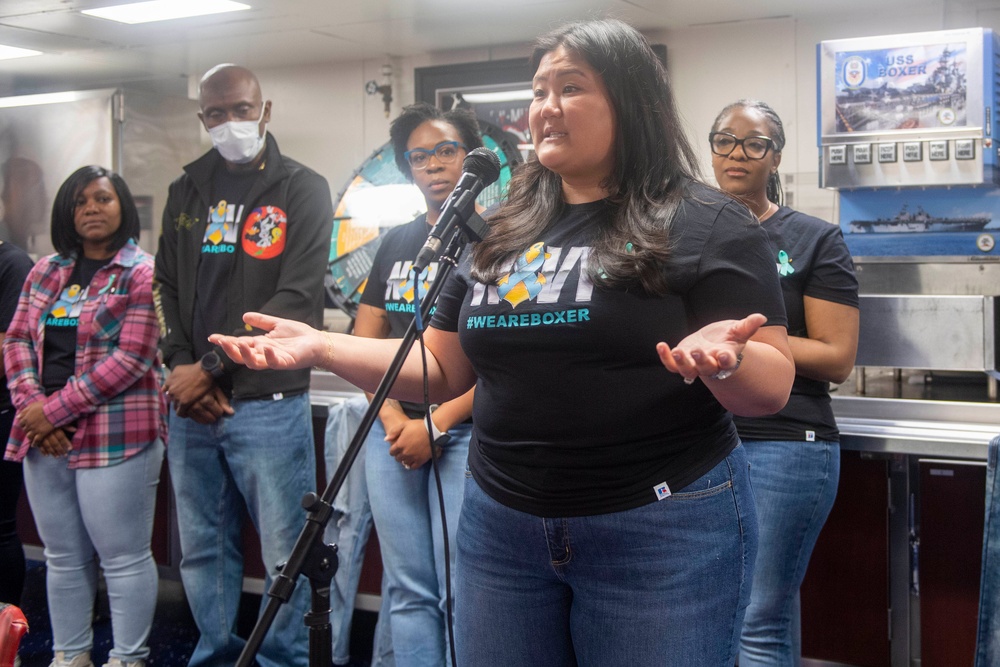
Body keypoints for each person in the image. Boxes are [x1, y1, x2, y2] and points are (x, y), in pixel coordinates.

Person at [210, 19, 796, 667]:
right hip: (502, 525)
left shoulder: (707, 221)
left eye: (570, 87)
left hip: (658, 526)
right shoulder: (500, 228)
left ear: (633, 100)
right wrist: (321, 346)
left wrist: (728, 358)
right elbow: (438, 365)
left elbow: (771, 385)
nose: (545, 106)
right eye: (539, 90)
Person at [153, 64, 333, 667]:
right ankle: (216, 655)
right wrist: (183, 368)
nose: (230, 122)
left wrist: (210, 366)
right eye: (216, 113)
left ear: (266, 109)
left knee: (287, 552)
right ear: (202, 117)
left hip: (268, 402)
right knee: (202, 549)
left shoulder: (301, 187)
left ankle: (283, 662)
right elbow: (166, 289)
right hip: (192, 405)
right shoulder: (187, 190)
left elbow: (298, 297)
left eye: (241, 109)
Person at [708, 99, 860, 666]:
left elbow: (836, 355)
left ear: (776, 157)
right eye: (724, 140)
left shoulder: (814, 238)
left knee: (755, 616)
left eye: (754, 143)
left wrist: (736, 341)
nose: (737, 154)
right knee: (729, 612)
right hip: (705, 440)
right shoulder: (689, 230)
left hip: (785, 442)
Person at [3, 165, 167, 667]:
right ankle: (70, 655)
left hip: (118, 434)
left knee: (122, 559)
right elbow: (15, 339)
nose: (91, 209)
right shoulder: (45, 270)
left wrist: (50, 412)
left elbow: (134, 356)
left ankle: (127, 657)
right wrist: (32, 406)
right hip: (44, 435)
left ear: (123, 208)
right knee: (62, 558)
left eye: (102, 199)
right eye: (80, 202)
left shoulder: (143, 271)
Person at [351, 102, 480, 666]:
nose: (433, 165)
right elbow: (365, 342)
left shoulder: (499, 241)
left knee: (462, 589)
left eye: (446, 150)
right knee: (407, 588)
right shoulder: (397, 242)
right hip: (392, 433)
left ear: (472, 157)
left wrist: (436, 422)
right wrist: (396, 420)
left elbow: (509, 360)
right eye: (419, 156)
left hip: (467, 433)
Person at [0, 238, 33, 612]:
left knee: (1, 528)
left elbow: (9, 348)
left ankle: (6, 644)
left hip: (5, 413)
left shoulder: (11, 263)